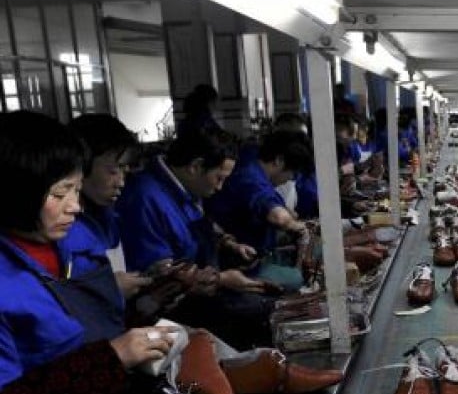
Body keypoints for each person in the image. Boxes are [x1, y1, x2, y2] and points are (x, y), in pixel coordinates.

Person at [0, 110, 200, 394]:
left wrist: (153, 319)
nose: (74, 206)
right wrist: (114, 357)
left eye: (76, 190)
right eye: (59, 193)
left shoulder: (75, 241)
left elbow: (104, 322)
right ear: (17, 192)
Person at [116, 127, 276, 349]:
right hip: (167, 314)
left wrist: (229, 244)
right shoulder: (144, 198)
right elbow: (160, 277)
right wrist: (220, 279)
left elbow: (199, 222)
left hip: (199, 293)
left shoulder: (182, 188)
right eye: (218, 178)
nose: (220, 187)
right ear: (196, 167)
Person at [205, 131, 313, 290]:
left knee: (315, 252)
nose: (291, 179)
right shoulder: (250, 178)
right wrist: (297, 227)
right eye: (292, 173)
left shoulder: (252, 160)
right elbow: (278, 217)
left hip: (252, 250)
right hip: (240, 266)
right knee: (297, 279)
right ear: (278, 161)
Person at [68, 114, 151, 299]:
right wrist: (108, 291)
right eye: (113, 171)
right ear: (82, 166)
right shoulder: (63, 227)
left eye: (125, 171)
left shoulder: (108, 216)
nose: (121, 182)